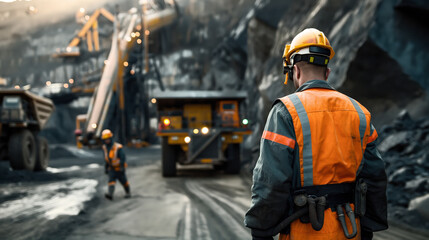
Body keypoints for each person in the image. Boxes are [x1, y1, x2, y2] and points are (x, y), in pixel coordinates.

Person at [244, 28, 388, 240]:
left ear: (296, 71)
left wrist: (261, 230)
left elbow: (272, 180)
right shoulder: (359, 112)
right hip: (350, 229)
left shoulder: (286, 111)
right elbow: (375, 176)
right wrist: (368, 227)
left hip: (305, 230)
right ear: (327, 72)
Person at [101, 129, 131, 200]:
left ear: (110, 138)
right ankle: (110, 194)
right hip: (112, 168)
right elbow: (106, 158)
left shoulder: (118, 147)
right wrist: (106, 167)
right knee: (111, 181)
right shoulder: (105, 148)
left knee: (124, 181)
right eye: (105, 139)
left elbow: (122, 157)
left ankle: (128, 193)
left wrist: (122, 167)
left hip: (119, 168)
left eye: (108, 139)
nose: (106, 141)